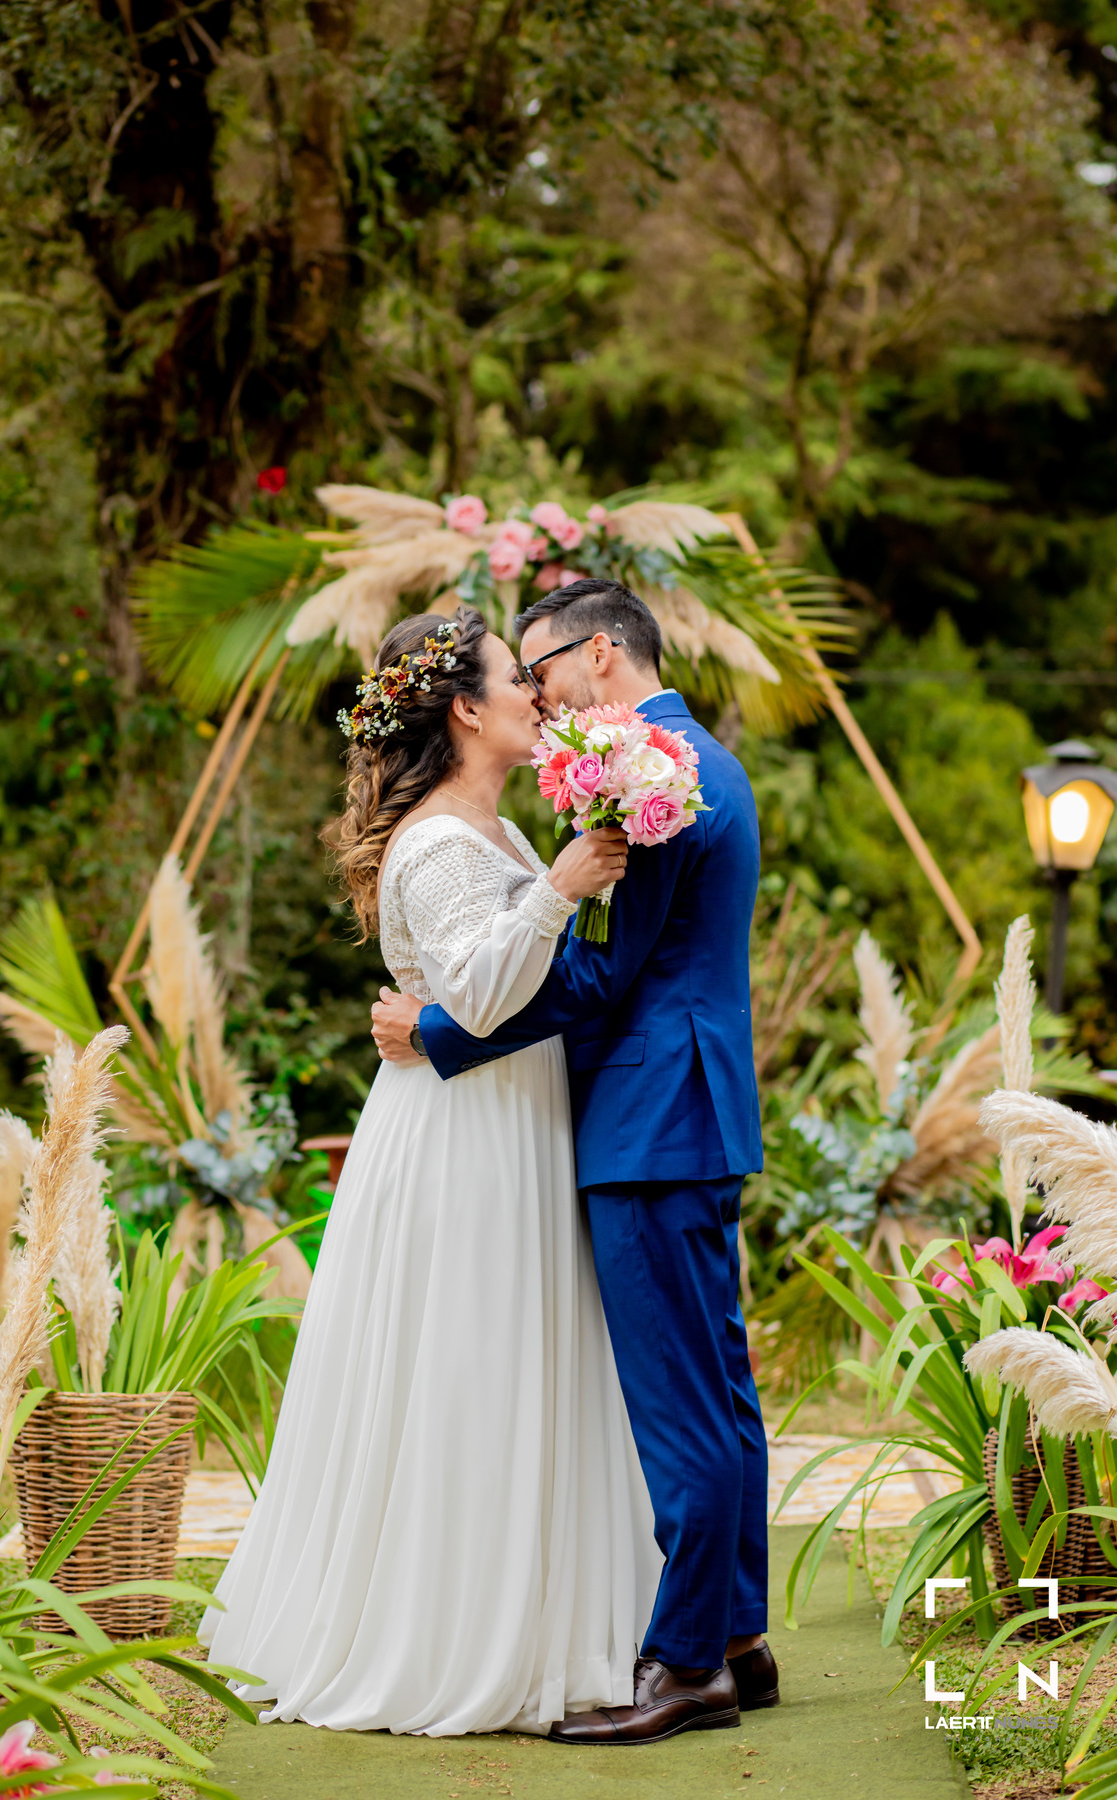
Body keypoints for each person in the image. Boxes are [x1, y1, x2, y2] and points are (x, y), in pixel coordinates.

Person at [199, 604, 666, 1737]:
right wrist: (562, 889)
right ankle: (449, 1635)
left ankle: (546, 1619)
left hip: (517, 1117)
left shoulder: (498, 831)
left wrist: (570, 881)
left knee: (524, 1361)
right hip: (465, 1140)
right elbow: (481, 994)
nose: (536, 696)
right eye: (515, 679)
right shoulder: (441, 843)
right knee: (468, 1364)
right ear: (464, 710)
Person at [372, 576, 778, 1745]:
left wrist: (436, 1033)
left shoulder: (658, 778)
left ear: (600, 653)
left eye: (541, 668)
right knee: (720, 1391)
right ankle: (737, 1640)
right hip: (683, 1111)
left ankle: (688, 1664)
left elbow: (600, 974)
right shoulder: (696, 760)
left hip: (651, 1120)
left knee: (682, 1409)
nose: (540, 697)